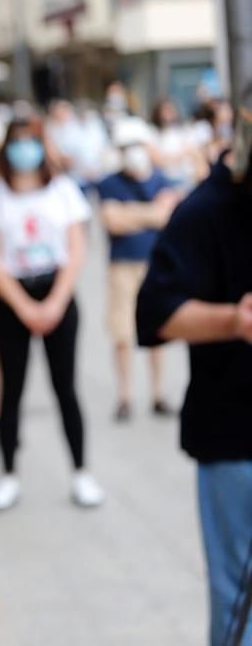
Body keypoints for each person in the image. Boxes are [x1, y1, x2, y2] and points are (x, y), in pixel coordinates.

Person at [136, 106, 252, 646]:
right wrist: (233, 319)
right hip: (235, 438)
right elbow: (155, 315)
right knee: (239, 602)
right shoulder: (203, 211)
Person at [0, 117, 104, 511]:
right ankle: (9, 474)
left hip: (57, 294)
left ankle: (81, 473)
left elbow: (77, 248)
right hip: (14, 297)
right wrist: (24, 306)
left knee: (65, 388)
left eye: (32, 141)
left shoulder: (63, 190)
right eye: (18, 142)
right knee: (11, 390)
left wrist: (54, 302)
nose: (25, 149)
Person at [97, 117, 182, 422]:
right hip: (122, 266)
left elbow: (167, 216)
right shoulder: (110, 182)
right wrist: (149, 214)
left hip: (153, 262)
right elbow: (112, 221)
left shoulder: (161, 179)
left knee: (157, 329)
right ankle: (125, 396)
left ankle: (157, 394)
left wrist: (131, 214)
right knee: (122, 332)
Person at [150, 97, 208, 190]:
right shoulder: (153, 133)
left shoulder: (184, 131)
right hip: (168, 181)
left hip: (190, 178)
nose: (168, 113)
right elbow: (158, 161)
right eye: (165, 110)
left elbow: (197, 155)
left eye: (170, 109)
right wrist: (181, 154)